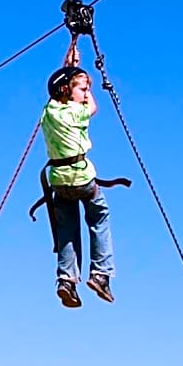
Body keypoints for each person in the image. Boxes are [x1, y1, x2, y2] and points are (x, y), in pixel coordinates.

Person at [41, 58, 116, 308]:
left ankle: (66, 280)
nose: (85, 94)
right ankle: (100, 274)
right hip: (81, 179)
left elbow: (60, 87)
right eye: (82, 89)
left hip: (58, 182)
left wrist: (72, 58)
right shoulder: (77, 112)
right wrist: (90, 91)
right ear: (67, 91)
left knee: (67, 230)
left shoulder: (49, 112)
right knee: (99, 216)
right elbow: (93, 107)